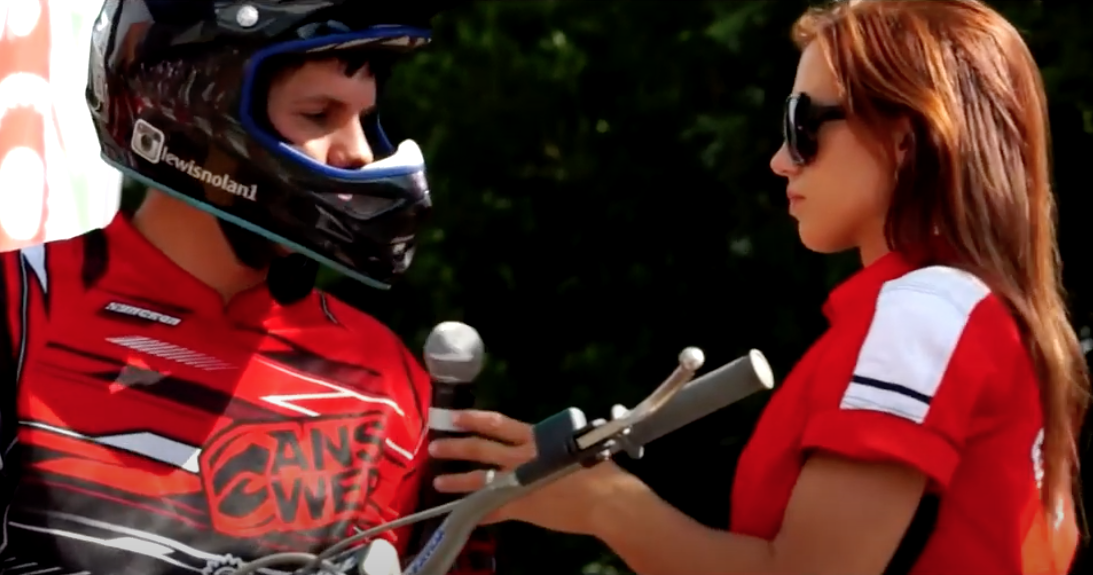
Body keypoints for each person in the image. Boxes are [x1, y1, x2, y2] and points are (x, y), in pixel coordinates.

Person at [430, 1, 1090, 573]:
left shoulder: (924, 316)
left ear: (904, 139)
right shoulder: (985, 318)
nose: (780, 159)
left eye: (802, 125)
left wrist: (606, 504)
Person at [0, 1, 492, 574]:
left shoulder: (390, 382)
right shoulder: (19, 310)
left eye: (365, 118)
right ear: (191, 113)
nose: (359, 152)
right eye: (318, 113)